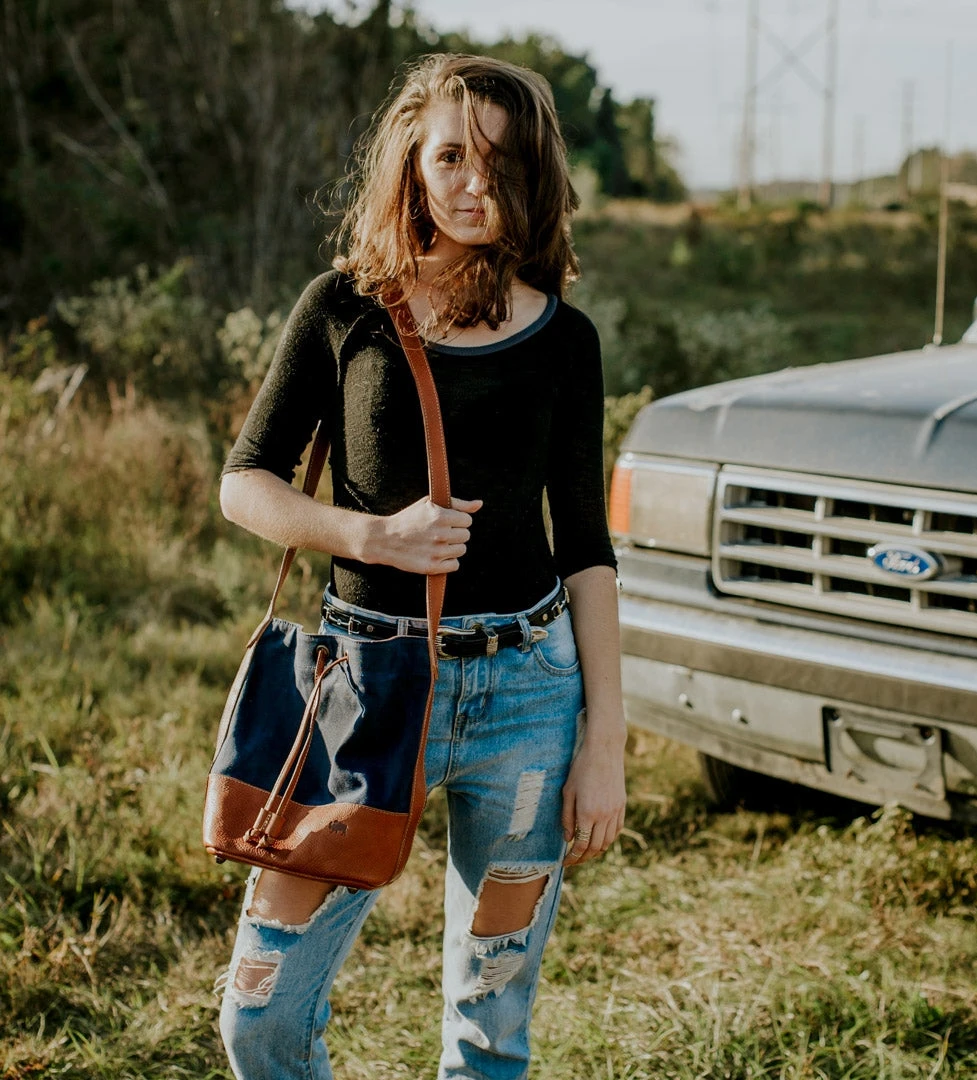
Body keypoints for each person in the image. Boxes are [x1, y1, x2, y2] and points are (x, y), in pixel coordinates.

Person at [215, 53, 627, 1080]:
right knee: (257, 1020)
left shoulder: (565, 341)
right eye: (450, 155)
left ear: (537, 176)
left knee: (489, 1035)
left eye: (501, 159)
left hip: (529, 698)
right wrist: (370, 536)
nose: (475, 181)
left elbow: (586, 550)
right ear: (411, 163)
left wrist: (605, 743)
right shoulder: (344, 309)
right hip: (364, 696)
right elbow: (244, 481)